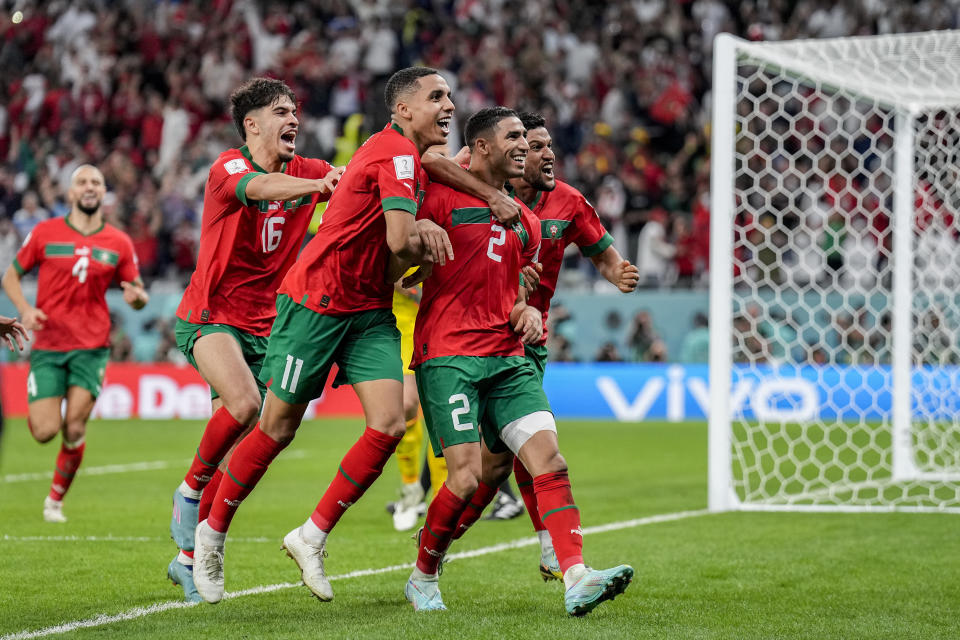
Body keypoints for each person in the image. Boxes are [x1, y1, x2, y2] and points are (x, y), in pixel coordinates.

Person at [191, 67, 511, 605]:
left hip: (367, 309)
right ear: (403, 110)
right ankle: (210, 534)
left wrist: (460, 218)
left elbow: (426, 192)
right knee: (276, 427)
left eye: (451, 95)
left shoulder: (412, 156)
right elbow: (399, 240)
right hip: (315, 301)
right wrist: (424, 237)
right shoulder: (394, 154)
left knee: (389, 423)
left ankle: (310, 536)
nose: (449, 105)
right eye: (437, 97)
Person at [404, 106, 633, 616]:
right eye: (516, 139)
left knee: (549, 459)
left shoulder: (529, 222)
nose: (528, 150)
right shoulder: (439, 193)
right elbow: (399, 265)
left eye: (528, 143)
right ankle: (423, 573)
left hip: (510, 357)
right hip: (449, 358)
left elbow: (512, 288)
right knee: (467, 479)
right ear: (482, 146)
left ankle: (574, 573)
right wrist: (416, 234)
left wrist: (524, 310)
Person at [166, 77, 344, 603]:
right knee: (243, 406)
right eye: (281, 111)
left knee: (257, 445)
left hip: (269, 327)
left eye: (295, 110)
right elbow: (259, 189)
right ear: (253, 125)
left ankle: (187, 559)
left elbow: (349, 180)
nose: (294, 119)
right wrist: (318, 187)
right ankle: (190, 490)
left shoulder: (307, 169)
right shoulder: (229, 166)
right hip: (210, 315)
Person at [1, 164, 149, 523]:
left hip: (92, 347)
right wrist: (25, 308)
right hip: (49, 345)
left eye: (96, 182)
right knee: (44, 431)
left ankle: (54, 500)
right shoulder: (45, 233)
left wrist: (136, 299)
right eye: (82, 181)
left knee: (76, 427)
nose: (89, 187)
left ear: (103, 194)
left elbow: (139, 291)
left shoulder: (119, 241)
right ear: (70, 193)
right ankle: (55, 450)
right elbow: (11, 276)